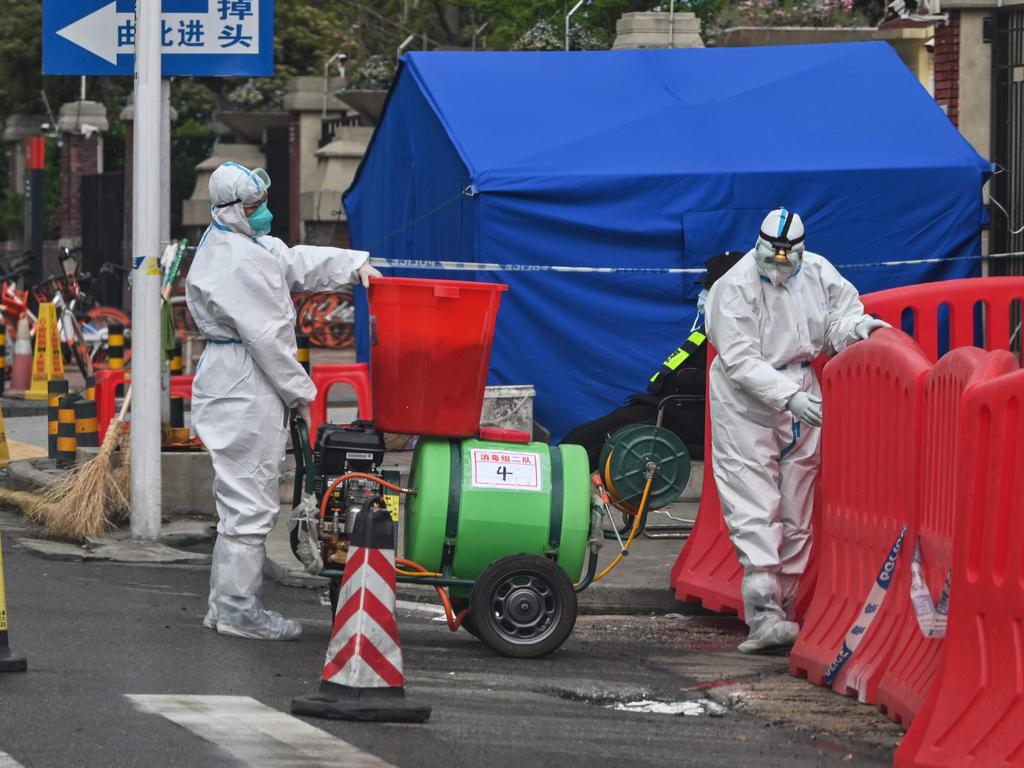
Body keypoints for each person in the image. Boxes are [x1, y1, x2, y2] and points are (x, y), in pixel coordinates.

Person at [186, 162, 381, 640]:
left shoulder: (242, 243)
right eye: (253, 207)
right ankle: (237, 610)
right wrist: (302, 393)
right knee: (249, 501)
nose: (262, 214)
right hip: (244, 383)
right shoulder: (236, 261)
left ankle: (225, 606)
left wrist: (352, 267)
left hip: (240, 380)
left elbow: (293, 260)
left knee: (240, 500)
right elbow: (270, 339)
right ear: (231, 210)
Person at [705, 208, 887, 653]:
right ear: (760, 244)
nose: (782, 261)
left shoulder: (819, 272)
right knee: (753, 497)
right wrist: (788, 397)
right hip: (746, 399)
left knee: (797, 501)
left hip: (804, 384)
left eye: (790, 253)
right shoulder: (735, 287)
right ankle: (763, 613)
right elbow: (741, 360)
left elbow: (838, 319)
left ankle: (783, 605)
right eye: (774, 252)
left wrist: (857, 328)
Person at [563, 252, 744, 468]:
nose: (702, 295)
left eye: (708, 288)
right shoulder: (706, 331)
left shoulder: (737, 336)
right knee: (579, 437)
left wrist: (683, 379)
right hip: (661, 407)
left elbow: (719, 380)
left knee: (588, 446)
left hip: (681, 419)